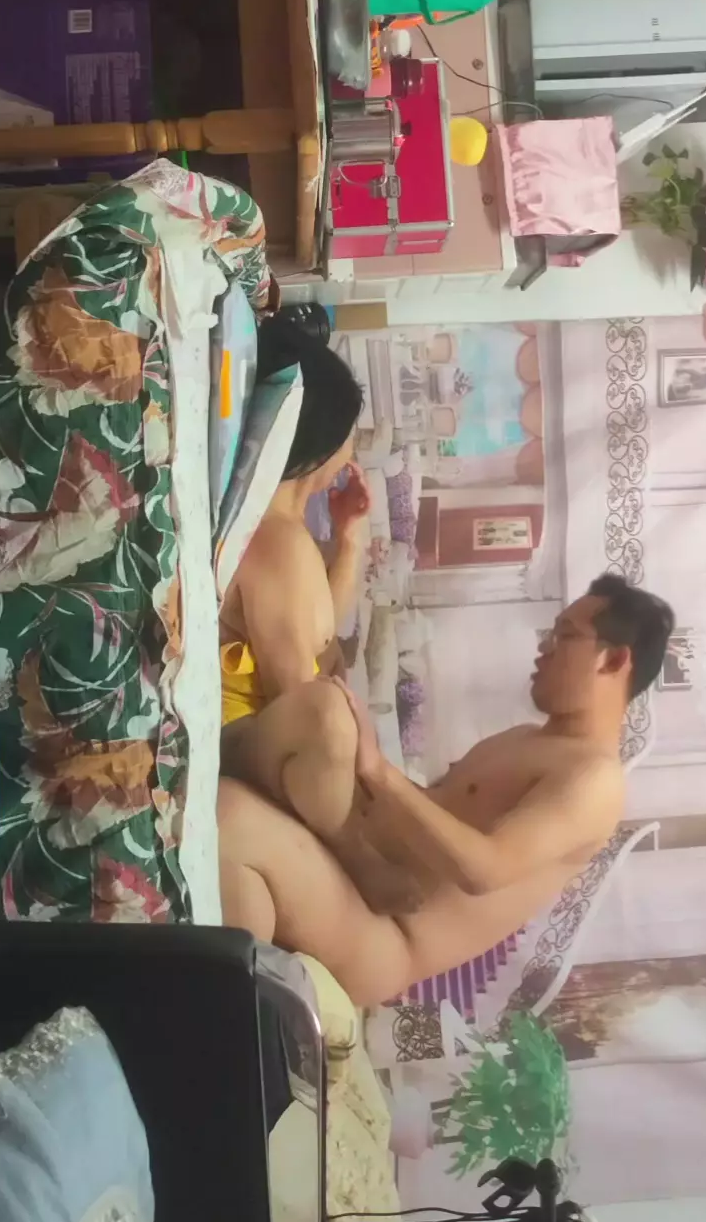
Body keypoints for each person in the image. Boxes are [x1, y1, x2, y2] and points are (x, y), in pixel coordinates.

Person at [218, 574, 674, 1007]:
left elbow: (485, 870)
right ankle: (337, 841)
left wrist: (378, 771)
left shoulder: (596, 781)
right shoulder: (526, 739)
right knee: (324, 712)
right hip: (353, 858)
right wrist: (347, 752)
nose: (544, 647)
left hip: (382, 933)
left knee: (228, 816)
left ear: (613, 661)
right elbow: (423, 810)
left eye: (565, 636)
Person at [218, 314, 371, 735]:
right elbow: (306, 722)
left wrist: (348, 541)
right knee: (335, 726)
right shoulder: (279, 545)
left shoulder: (281, 531)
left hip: (257, 745)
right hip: (244, 752)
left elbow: (316, 632)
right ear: (324, 439)